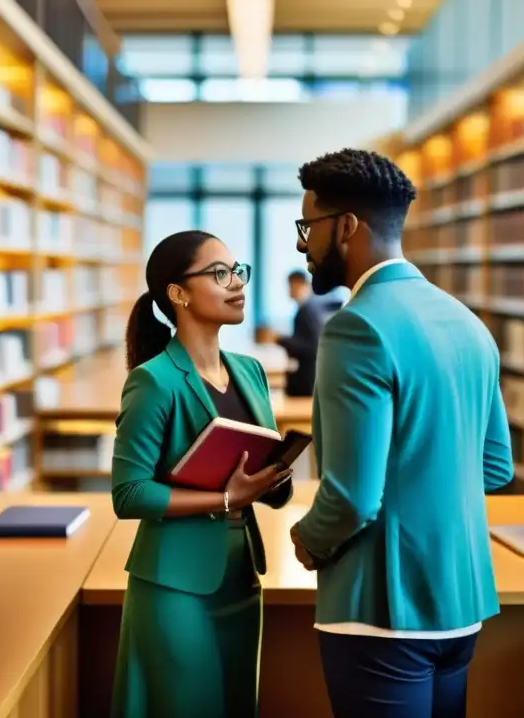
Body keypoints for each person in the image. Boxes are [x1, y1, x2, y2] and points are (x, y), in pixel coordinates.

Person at [288, 148, 515, 717]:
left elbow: (351, 498)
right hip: (460, 605)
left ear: (345, 227)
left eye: (306, 227)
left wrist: (307, 538)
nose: (301, 245)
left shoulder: (356, 329)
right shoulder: (468, 322)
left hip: (380, 609)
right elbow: (494, 467)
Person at [109, 229, 294, 718]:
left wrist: (276, 475)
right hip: (175, 582)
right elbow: (128, 494)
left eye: (237, 271)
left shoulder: (250, 371)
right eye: (219, 273)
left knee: (238, 706)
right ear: (178, 293)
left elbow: (259, 473)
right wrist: (226, 500)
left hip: (240, 576)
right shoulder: (153, 381)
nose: (236, 283)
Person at [275, 270, 340, 396]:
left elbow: (313, 346)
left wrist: (280, 339)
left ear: (300, 285)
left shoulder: (307, 310)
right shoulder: (316, 307)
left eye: (291, 286)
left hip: (308, 377)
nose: (289, 291)